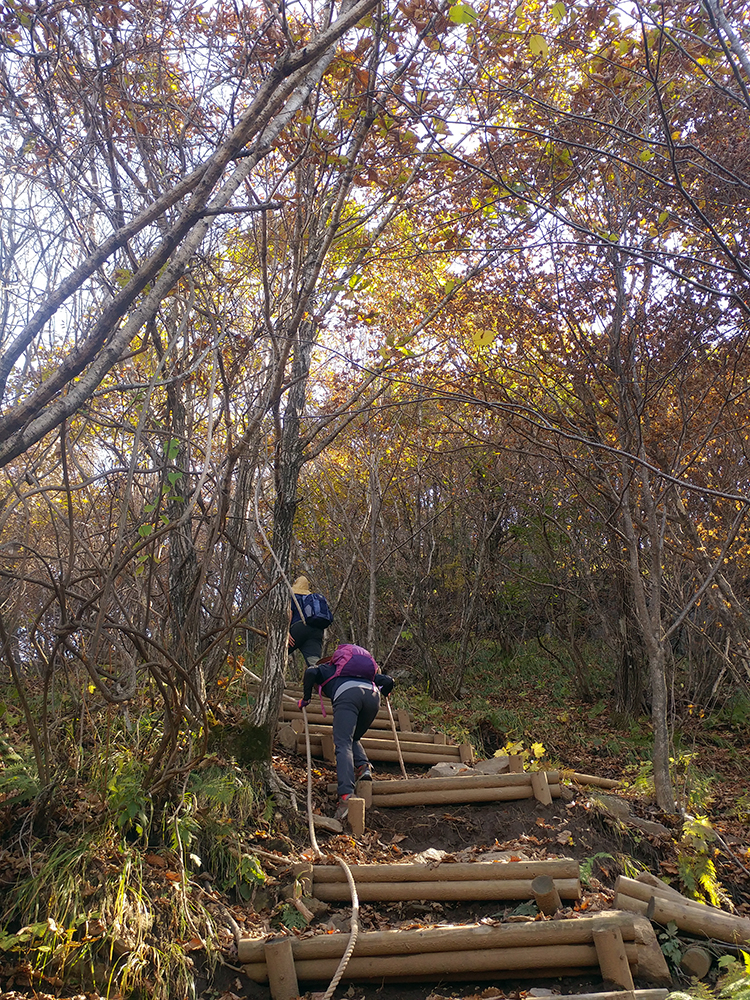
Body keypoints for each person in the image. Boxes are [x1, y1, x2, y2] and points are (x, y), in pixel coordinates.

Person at [297, 643, 394, 823]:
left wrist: (306, 698)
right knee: (353, 737)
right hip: (373, 697)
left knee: (342, 743)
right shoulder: (364, 672)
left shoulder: (326, 669)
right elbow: (388, 681)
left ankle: (345, 796)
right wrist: (385, 692)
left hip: (348, 695)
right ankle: (364, 767)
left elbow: (310, 673)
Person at [288, 575, 331, 670]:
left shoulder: (294, 597)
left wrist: (286, 632)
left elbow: (289, 613)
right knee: (315, 664)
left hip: (299, 629)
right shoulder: (312, 600)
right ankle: (324, 682)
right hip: (316, 631)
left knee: (279, 652)